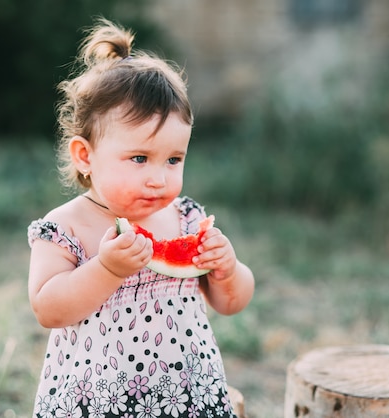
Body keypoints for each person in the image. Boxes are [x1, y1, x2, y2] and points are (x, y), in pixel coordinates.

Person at [27, 18, 255, 418]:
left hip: (188, 396)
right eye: (139, 158)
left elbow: (231, 303)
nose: (159, 178)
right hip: (98, 402)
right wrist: (106, 269)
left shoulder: (186, 217)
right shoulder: (65, 226)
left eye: (173, 159)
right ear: (85, 156)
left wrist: (228, 269)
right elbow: (48, 309)